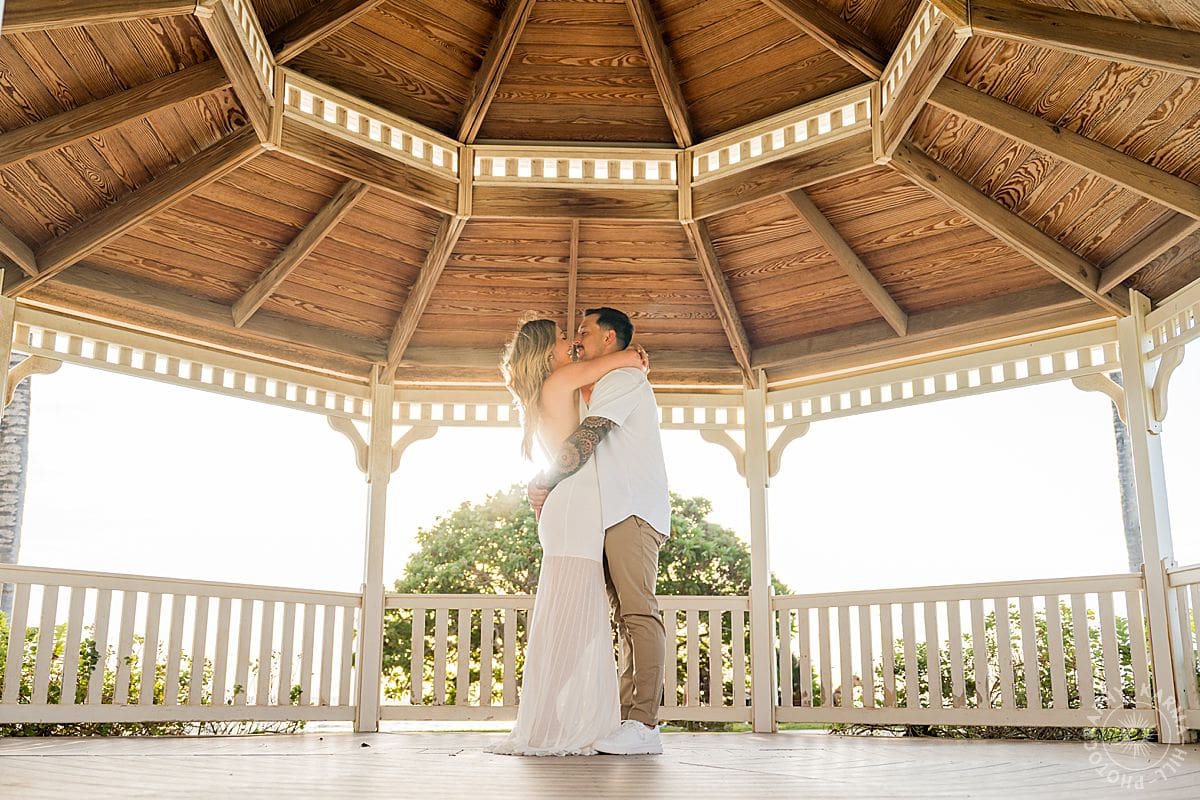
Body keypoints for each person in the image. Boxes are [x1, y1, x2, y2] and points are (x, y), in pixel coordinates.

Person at [487, 316, 648, 756]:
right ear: (546, 352)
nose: (571, 343)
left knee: (571, 619)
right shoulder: (559, 380)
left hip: (568, 507)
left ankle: (549, 714)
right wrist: (634, 356)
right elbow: (627, 358)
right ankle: (549, 717)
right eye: (562, 339)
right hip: (575, 505)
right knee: (573, 620)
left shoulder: (547, 390)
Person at [527, 307, 670, 756]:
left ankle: (644, 724)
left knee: (639, 614)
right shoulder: (593, 383)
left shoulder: (624, 380)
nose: (576, 340)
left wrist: (543, 480)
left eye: (584, 332)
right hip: (604, 516)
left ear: (609, 338)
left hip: (632, 510)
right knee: (623, 619)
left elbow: (589, 436)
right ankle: (625, 720)